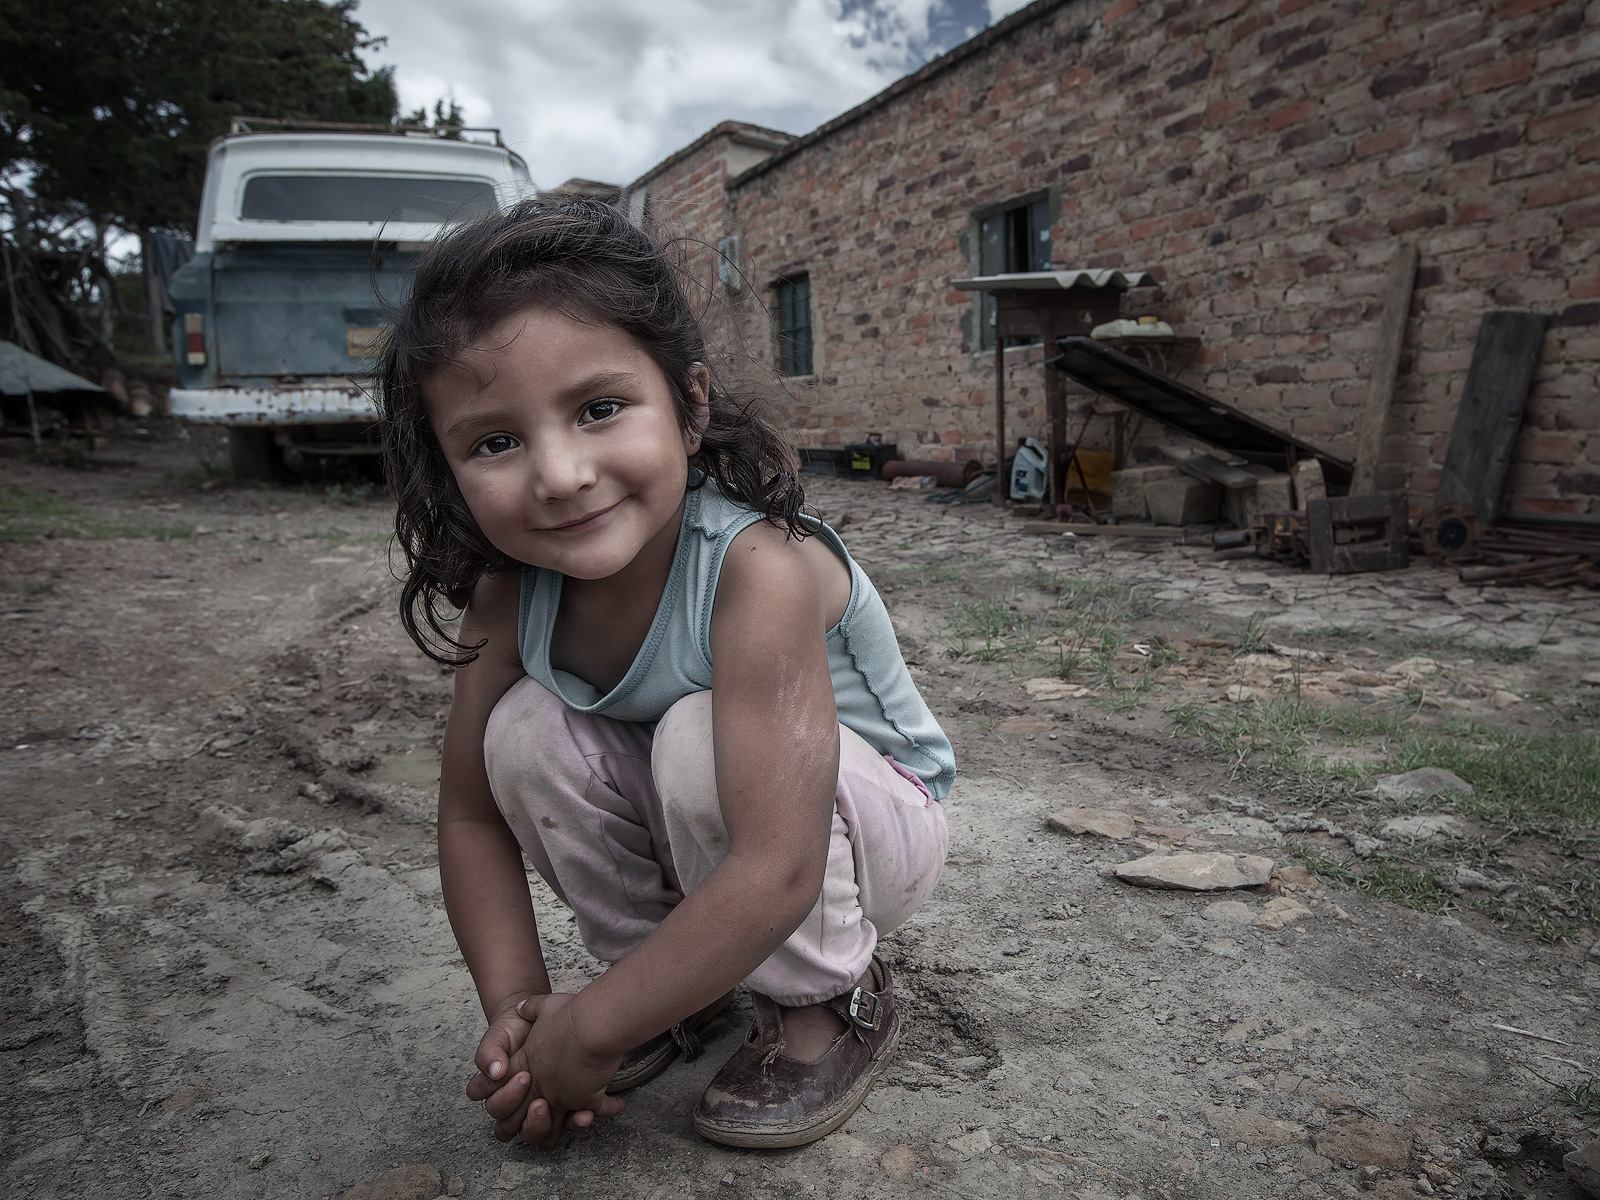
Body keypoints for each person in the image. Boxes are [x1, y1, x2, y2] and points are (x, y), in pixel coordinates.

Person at [379, 198, 955, 1150]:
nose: (559, 474)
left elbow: (779, 862)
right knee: (520, 732)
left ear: (689, 406)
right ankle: (663, 987)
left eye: (599, 409)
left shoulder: (756, 568)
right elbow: (471, 815)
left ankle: (824, 1001)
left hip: (857, 838)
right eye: (494, 441)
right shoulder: (506, 598)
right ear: (447, 470)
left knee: (693, 734)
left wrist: (589, 1027)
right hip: (713, 834)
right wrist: (530, 1023)